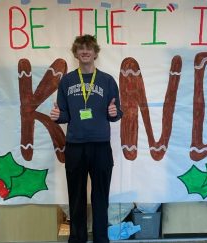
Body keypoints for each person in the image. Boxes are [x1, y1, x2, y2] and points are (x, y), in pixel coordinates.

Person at [50, 34, 122, 243]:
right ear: (76, 53)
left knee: (100, 197)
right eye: (80, 48)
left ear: (95, 53)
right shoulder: (68, 80)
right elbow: (64, 114)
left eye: (89, 48)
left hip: (100, 146)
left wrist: (113, 112)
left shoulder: (107, 80)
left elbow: (117, 113)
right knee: (76, 197)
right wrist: (57, 117)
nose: (85, 51)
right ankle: (77, 239)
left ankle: (101, 238)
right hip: (75, 147)